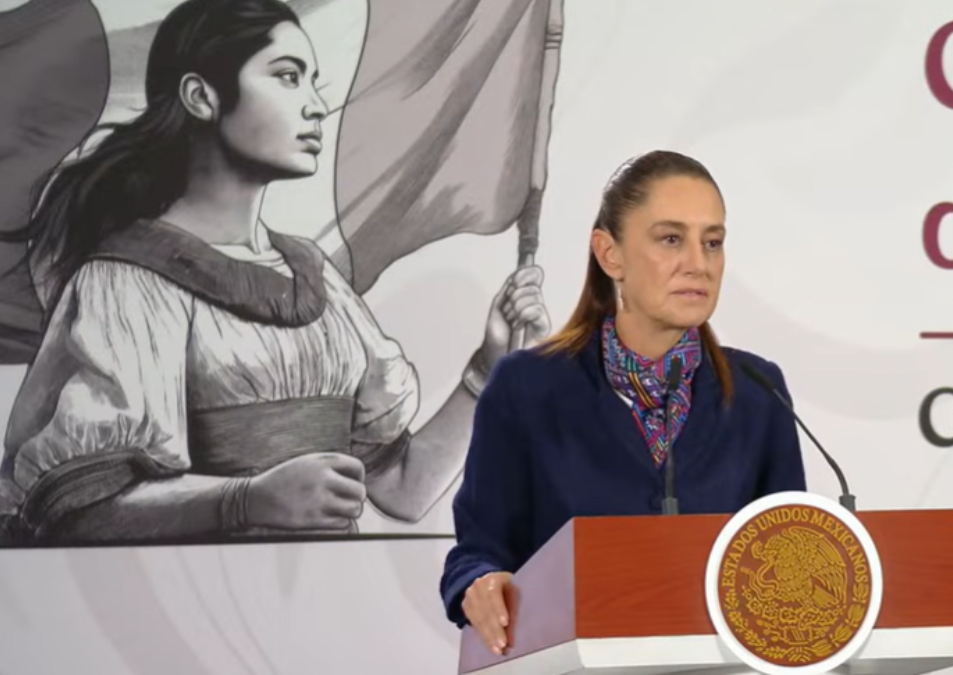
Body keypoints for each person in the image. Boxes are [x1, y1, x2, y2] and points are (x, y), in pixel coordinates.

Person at [0, 0, 550, 544]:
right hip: (186, 614)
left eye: (314, 81)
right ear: (201, 97)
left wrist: (487, 370)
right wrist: (246, 500)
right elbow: (80, 512)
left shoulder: (319, 281)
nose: (315, 105)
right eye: (288, 77)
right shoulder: (127, 281)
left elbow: (403, 491)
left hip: (322, 607)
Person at [439, 150, 807, 655]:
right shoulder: (525, 387)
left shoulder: (758, 390)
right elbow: (477, 551)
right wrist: (480, 583)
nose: (699, 264)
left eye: (713, 242)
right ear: (610, 254)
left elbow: (790, 559)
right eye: (671, 239)